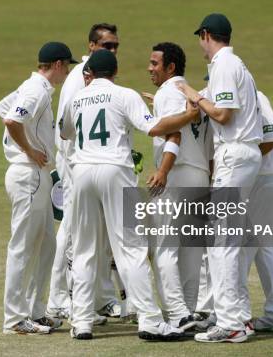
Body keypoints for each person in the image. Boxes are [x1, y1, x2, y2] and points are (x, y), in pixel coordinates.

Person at [60, 49, 199, 340]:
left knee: (85, 249)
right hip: (114, 171)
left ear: (90, 75)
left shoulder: (77, 98)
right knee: (131, 248)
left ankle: (82, 321)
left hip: (82, 171)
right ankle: (149, 320)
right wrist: (187, 115)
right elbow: (154, 128)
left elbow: (64, 133)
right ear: (114, 72)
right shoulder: (124, 94)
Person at [179, 13, 263, 343]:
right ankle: (239, 316)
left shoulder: (226, 65)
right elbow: (212, 105)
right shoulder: (231, 66)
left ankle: (230, 324)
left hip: (234, 153)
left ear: (206, 35)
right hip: (243, 156)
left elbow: (224, 115)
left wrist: (193, 94)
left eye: (200, 37)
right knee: (230, 241)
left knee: (221, 242)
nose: (200, 43)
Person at [0, 42, 76, 335]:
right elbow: (11, 118)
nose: (67, 70)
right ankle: (15, 319)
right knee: (23, 246)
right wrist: (28, 149)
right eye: (66, 65)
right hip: (28, 174)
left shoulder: (35, 87)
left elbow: (2, 106)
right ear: (56, 64)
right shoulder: (36, 89)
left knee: (46, 245)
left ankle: (36, 312)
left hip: (35, 175)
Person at [47, 23, 121, 321]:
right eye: (106, 46)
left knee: (99, 230)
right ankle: (58, 299)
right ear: (91, 46)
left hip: (94, 161)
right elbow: (65, 129)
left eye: (115, 46)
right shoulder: (80, 78)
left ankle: (102, 296)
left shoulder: (100, 74)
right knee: (71, 229)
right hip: (75, 162)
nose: (112, 51)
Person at [145, 42, 212, 331]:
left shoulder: (168, 92)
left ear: (170, 67)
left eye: (154, 63)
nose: (149, 68)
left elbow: (174, 135)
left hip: (177, 174)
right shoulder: (192, 93)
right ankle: (188, 310)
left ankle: (177, 312)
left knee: (166, 248)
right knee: (192, 251)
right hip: (199, 176)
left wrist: (163, 170)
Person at [238, 91, 273, 332]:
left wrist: (246, 165)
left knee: (245, 247)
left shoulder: (254, 95)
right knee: (264, 248)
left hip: (263, 179)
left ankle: (238, 315)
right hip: (265, 178)